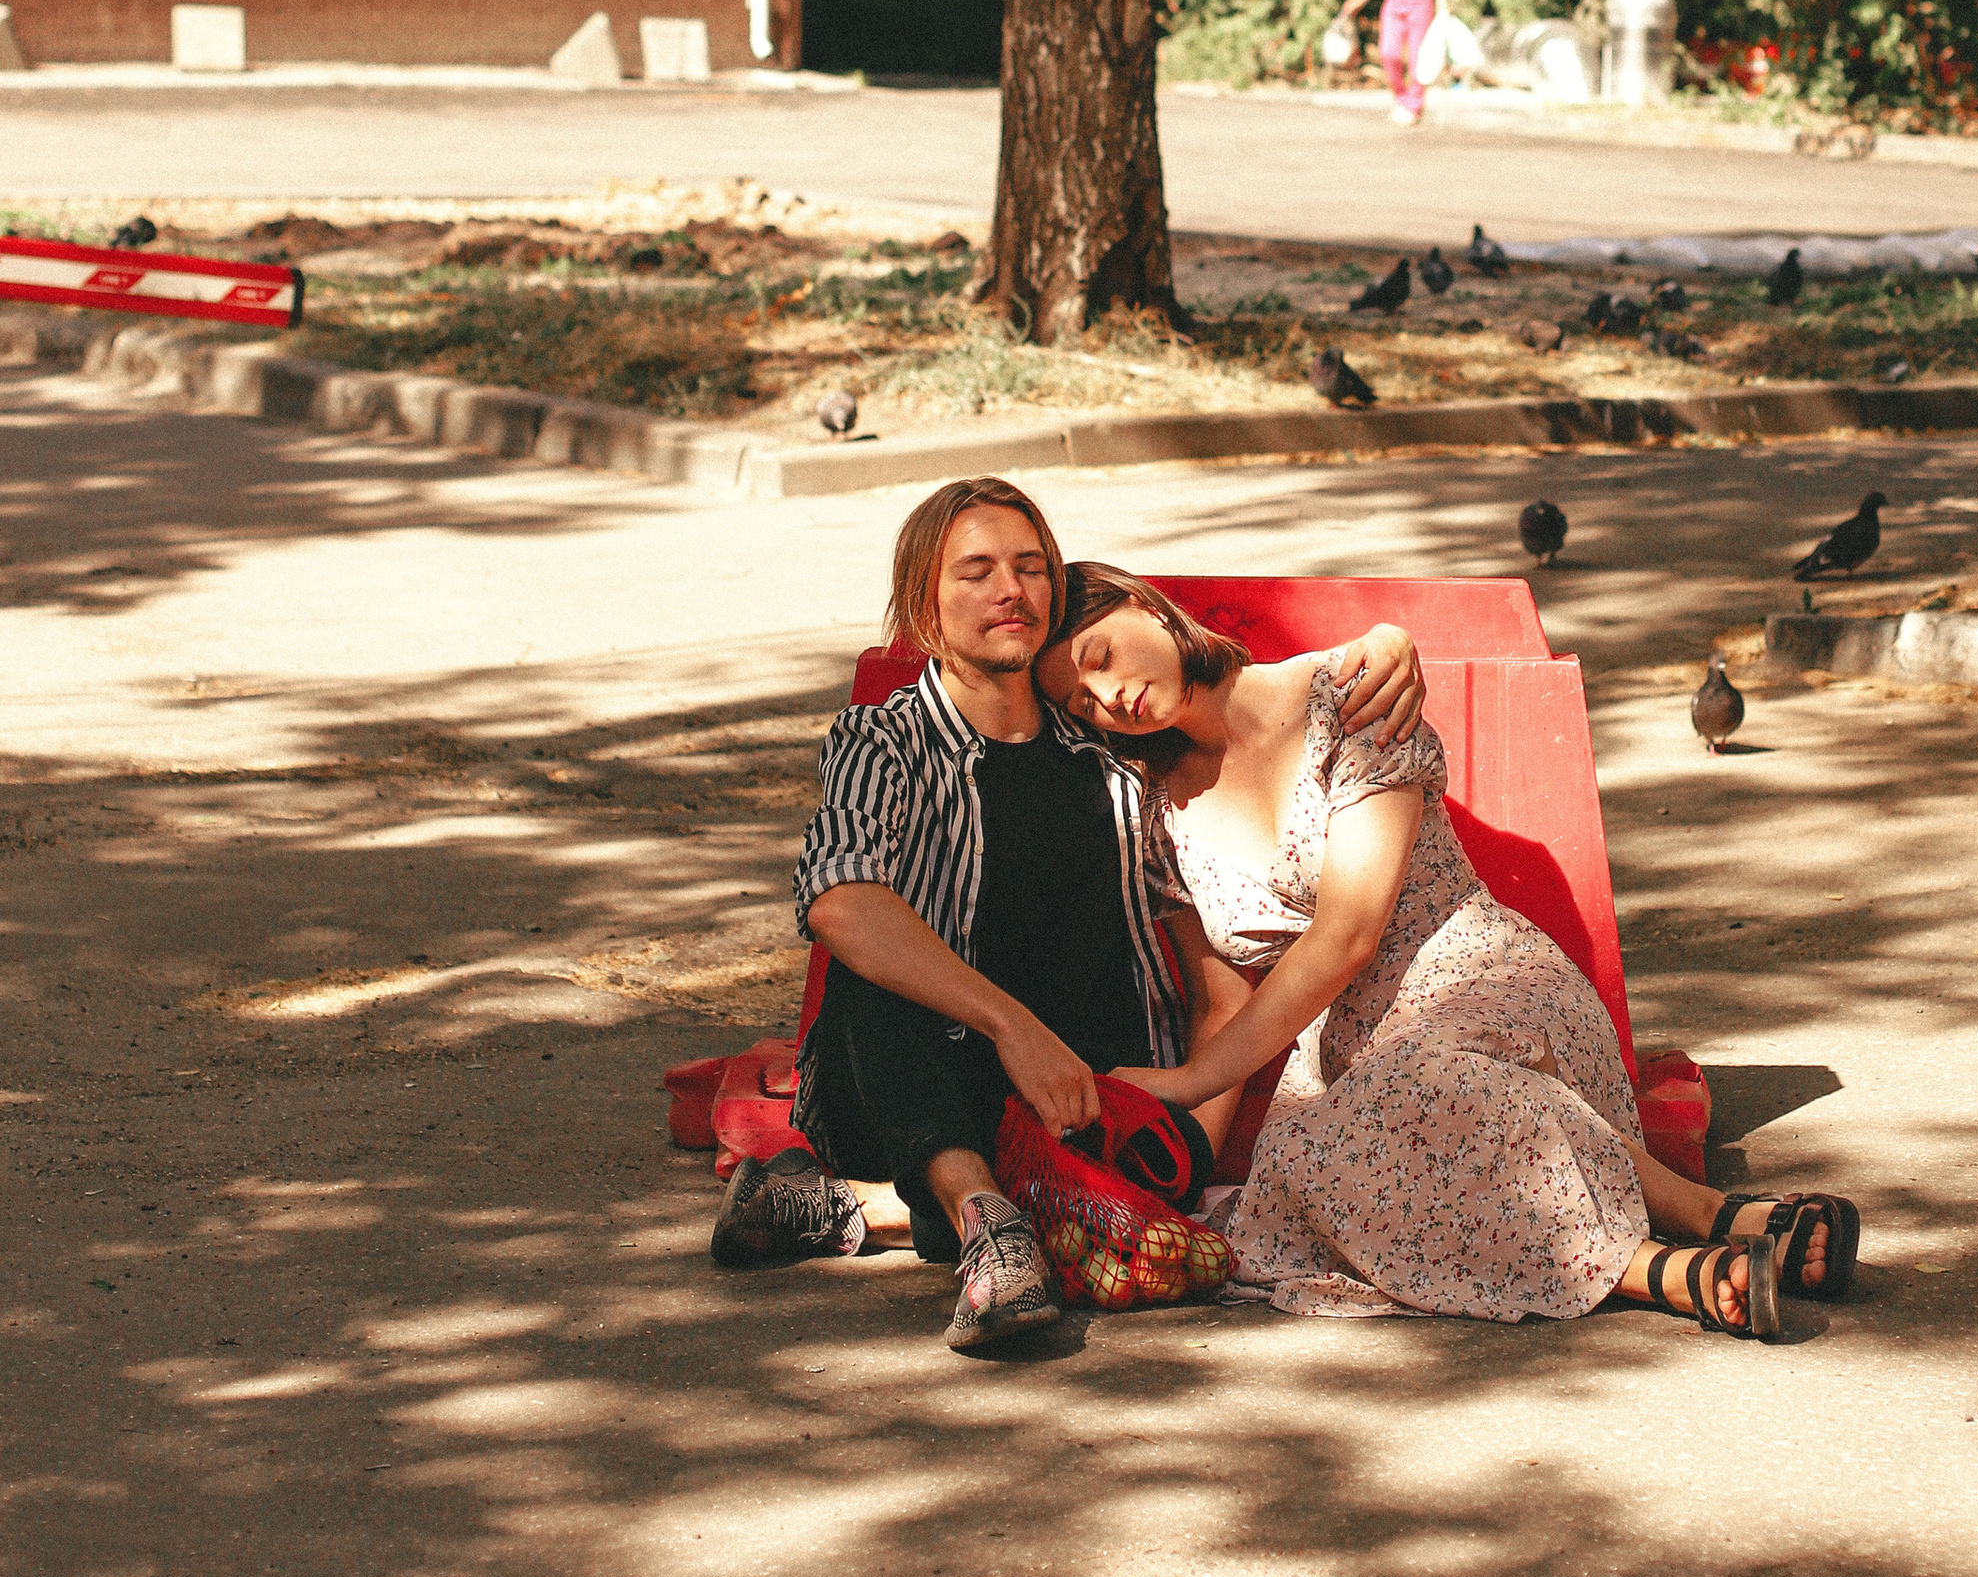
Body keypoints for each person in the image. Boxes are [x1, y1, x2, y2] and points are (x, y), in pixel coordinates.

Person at [1037, 564, 1861, 1339]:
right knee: (1307, 1156)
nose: (1110, 696)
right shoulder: (1154, 819)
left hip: (1487, 982)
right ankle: (1669, 1264)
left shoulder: (1349, 696)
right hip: (1349, 1073)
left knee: (1419, 1082)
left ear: (1142, 604)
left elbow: (1349, 934)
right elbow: (1225, 1005)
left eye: (1100, 657)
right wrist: (1177, 1170)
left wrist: (1182, 1084)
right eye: (1081, 702)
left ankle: (1695, 1227)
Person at [729, 477, 1428, 1356]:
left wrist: (1383, 644)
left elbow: (1247, 717)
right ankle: (991, 1232)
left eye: (1029, 567)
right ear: (923, 605)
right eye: (975, 572)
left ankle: (836, 1207)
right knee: (885, 982)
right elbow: (839, 900)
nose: (1009, 589)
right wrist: (1009, 1025)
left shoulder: (1115, 752)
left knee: (1081, 1101)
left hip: (1077, 1093)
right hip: (908, 1069)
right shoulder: (884, 739)